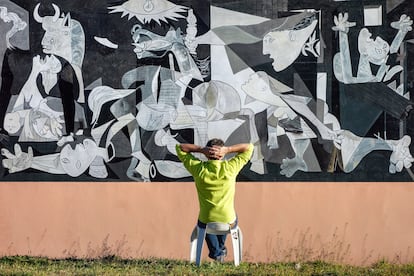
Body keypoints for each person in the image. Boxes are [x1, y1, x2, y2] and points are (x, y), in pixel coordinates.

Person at [176, 138, 253, 262]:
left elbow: (180, 148)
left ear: (207, 155)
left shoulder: (199, 169)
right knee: (230, 217)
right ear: (221, 154)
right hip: (228, 220)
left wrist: (202, 150)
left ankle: (217, 253)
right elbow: (249, 147)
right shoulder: (231, 168)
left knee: (205, 223)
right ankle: (220, 250)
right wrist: (228, 150)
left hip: (206, 220)